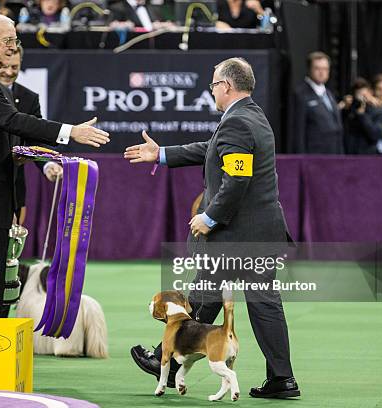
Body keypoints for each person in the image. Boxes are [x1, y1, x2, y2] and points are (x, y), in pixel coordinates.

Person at [124, 57, 300, 399]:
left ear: (226, 86)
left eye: (213, 85)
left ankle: (169, 361)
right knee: (260, 304)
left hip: (237, 235)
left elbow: (236, 179)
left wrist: (210, 217)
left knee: (205, 297)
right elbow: (211, 151)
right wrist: (162, 153)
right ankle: (282, 379)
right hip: (259, 233)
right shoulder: (252, 116)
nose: (212, 91)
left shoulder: (237, 122)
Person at [0, 13, 109, 318]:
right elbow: (13, 120)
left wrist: (16, 153)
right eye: (7, 41)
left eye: (14, 41)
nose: (11, 48)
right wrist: (71, 131)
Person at [0, 45, 63, 225]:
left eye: (15, 67)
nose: (9, 72)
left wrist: (47, 164)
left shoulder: (29, 98)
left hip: (14, 188)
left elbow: (33, 139)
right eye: (4, 66)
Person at [289, 51, 344, 154]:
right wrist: (301, 160)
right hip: (314, 156)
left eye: (325, 69)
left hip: (334, 155)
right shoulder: (300, 94)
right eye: (317, 68)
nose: (322, 72)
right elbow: (298, 131)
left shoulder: (329, 93)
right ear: (309, 69)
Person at [342, 78, 382, 155]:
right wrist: (343, 108)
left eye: (364, 95)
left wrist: (362, 115)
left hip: (368, 156)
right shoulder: (349, 110)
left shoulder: (378, 112)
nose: (361, 99)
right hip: (349, 154)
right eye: (358, 95)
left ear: (370, 93)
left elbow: (375, 135)